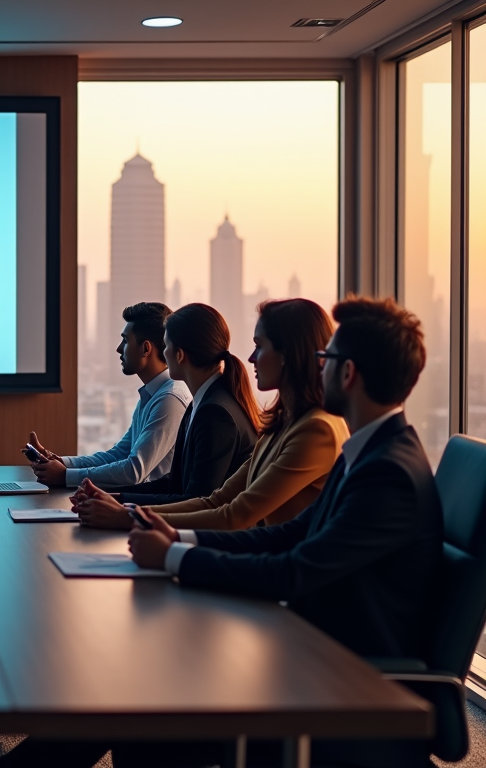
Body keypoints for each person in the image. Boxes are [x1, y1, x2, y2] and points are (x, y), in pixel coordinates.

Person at [121, 296, 443, 768]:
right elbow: (287, 534)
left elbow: (295, 570)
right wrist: (179, 542)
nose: (319, 368)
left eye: (325, 360)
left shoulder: (386, 473)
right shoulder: (372, 454)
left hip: (335, 677)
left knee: (143, 716)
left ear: (347, 373)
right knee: (143, 694)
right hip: (308, 648)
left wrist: (175, 559)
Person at [109, 298, 349, 531]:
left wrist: (129, 516)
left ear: (287, 354)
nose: (251, 358)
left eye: (259, 346)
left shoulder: (316, 429)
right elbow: (216, 500)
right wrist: (124, 507)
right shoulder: (282, 423)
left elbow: (235, 515)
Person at [72, 304, 259, 529]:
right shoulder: (200, 404)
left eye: (166, 345)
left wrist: (124, 510)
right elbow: (175, 484)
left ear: (179, 355)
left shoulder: (215, 413)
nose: (163, 352)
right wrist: (113, 497)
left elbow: (196, 501)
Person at [28, 302, 191, 489]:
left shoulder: (169, 399)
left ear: (146, 349)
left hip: (149, 509)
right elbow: (118, 454)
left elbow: (133, 471)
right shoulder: (153, 394)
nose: (119, 348)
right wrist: (61, 463)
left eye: (125, 340)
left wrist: (65, 476)